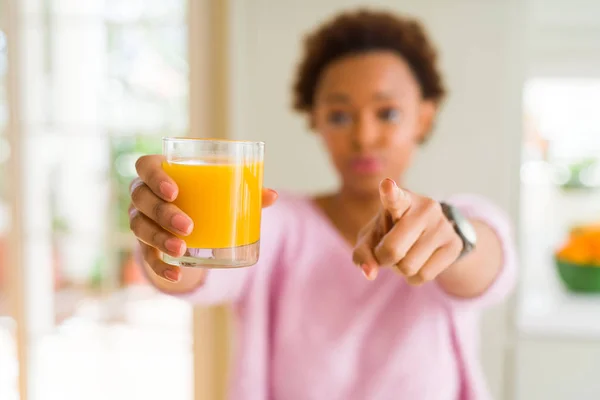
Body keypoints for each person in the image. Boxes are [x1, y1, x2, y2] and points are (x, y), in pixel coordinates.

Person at [129, 9, 516, 400]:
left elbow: (485, 260)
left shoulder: (454, 220)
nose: (364, 136)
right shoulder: (275, 221)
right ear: (315, 120)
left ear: (424, 118)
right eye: (339, 115)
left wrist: (452, 236)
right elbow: (200, 272)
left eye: (388, 113)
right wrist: (164, 236)